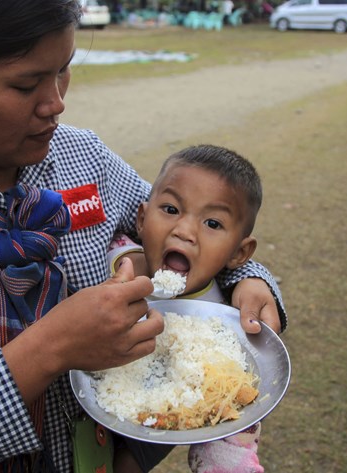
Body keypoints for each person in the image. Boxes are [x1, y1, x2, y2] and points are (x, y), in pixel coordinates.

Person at [0, 1, 286, 471]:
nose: (56, 102)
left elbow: (185, 230)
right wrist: (47, 351)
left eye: (63, 71)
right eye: (25, 84)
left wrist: (252, 276)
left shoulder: (84, 159)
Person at [107, 144, 286, 473]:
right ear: (143, 219)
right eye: (172, 209)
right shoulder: (117, 262)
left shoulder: (222, 319)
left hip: (160, 417)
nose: (184, 231)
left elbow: (234, 413)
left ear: (238, 254)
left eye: (213, 224)